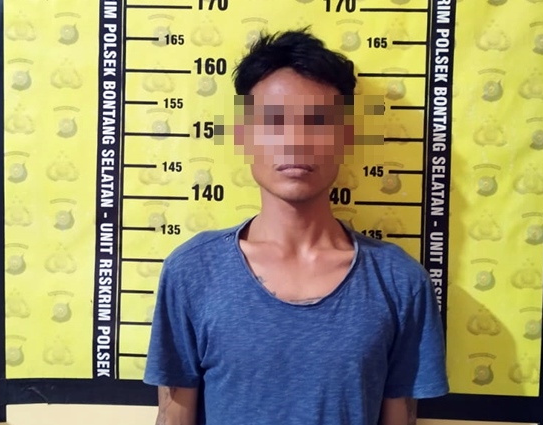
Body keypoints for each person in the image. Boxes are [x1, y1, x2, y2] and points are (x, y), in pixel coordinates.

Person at [144, 28, 449, 425]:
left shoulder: (400, 282)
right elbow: (173, 416)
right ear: (244, 136)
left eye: (317, 122)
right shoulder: (191, 272)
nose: (295, 141)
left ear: (345, 137)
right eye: (274, 122)